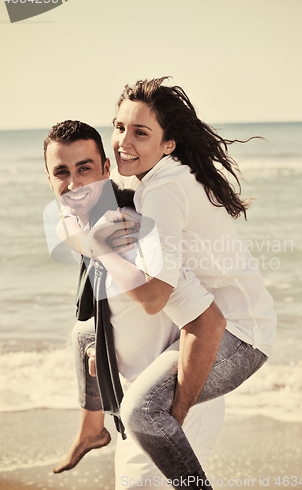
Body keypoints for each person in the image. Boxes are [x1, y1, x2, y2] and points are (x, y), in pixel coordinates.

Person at [83, 77, 277, 489]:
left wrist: (99, 244)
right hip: (236, 325)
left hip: (241, 335)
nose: (123, 141)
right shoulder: (158, 179)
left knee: (140, 413)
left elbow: (154, 297)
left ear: (168, 144)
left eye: (140, 132)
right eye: (119, 127)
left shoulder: (164, 190)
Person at [43, 120, 226, 489]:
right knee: (82, 332)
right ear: (49, 179)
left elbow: (205, 320)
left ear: (107, 168)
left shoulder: (131, 230)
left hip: (170, 404)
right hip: (136, 402)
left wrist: (175, 415)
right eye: (62, 172)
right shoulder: (83, 221)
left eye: (85, 168)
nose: (74, 184)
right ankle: (90, 429)